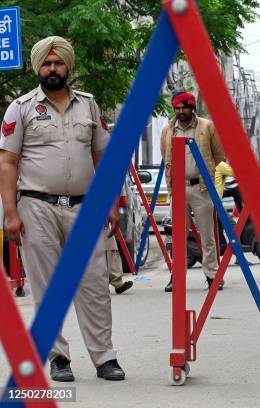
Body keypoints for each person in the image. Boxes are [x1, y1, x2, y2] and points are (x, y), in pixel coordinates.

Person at [0, 36, 125, 381]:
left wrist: (111, 203)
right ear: (37, 66)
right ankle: (58, 358)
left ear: (68, 66)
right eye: (46, 63)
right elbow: (8, 162)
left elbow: (102, 157)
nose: (52, 69)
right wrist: (10, 212)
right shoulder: (21, 108)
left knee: (94, 283)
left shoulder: (89, 106)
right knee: (46, 285)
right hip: (36, 207)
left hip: (86, 209)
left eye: (58, 63)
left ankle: (105, 357)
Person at [160, 90, 225, 292]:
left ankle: (213, 276)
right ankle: (176, 277)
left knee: (207, 235)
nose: (180, 112)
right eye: (177, 109)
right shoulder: (169, 130)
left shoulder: (207, 126)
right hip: (178, 188)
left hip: (201, 187)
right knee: (178, 237)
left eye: (184, 108)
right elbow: (166, 156)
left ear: (192, 107)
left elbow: (219, 155)